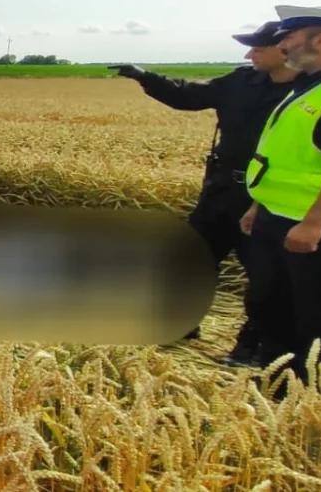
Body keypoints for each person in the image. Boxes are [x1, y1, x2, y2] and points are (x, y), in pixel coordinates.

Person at [109, 22, 298, 364]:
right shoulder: (240, 82)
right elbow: (188, 96)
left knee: (266, 278)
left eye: (256, 48)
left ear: (283, 49)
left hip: (269, 197)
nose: (248, 54)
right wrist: (144, 76)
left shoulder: (308, 92)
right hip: (221, 189)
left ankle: (254, 346)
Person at [241, 5, 321, 380]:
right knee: (273, 307)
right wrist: (258, 204)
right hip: (276, 217)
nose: (282, 46)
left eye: (289, 39)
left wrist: (314, 222)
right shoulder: (309, 84)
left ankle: (317, 400)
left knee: (319, 318)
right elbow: (282, 155)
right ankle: (280, 382)